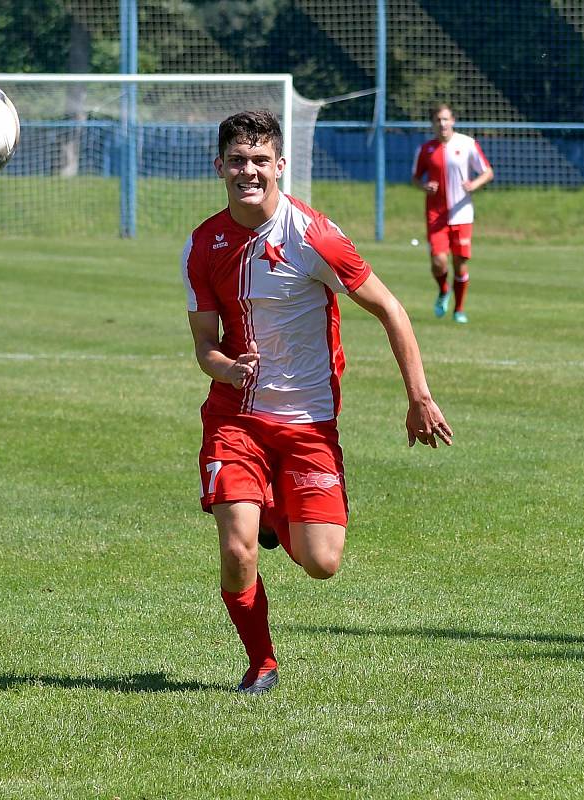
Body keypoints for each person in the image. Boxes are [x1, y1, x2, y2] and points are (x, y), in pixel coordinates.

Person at [181, 110, 453, 695]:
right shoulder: (205, 243)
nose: (248, 171)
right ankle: (261, 664)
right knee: (237, 548)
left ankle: (276, 511)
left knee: (322, 561)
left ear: (280, 165)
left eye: (260, 161)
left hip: (309, 422)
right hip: (237, 418)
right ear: (220, 166)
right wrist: (226, 367)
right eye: (237, 161)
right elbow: (204, 345)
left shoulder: (313, 235)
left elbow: (390, 308)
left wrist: (418, 397)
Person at [411, 102, 494, 324]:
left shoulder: (467, 144)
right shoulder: (426, 149)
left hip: (462, 213)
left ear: (453, 121)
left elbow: (487, 172)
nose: (442, 124)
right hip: (436, 215)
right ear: (433, 124)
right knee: (438, 261)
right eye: (438, 120)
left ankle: (459, 309)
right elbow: (416, 178)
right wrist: (424, 186)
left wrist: (473, 184)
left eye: (446, 119)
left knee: (460, 263)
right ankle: (443, 290)